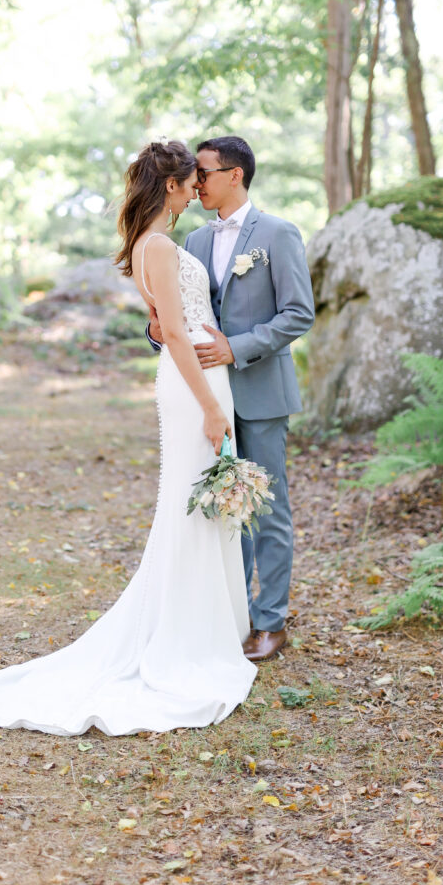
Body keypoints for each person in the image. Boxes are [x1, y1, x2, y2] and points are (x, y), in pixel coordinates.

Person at [0, 141, 256, 735]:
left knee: (193, 501)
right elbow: (172, 330)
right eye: (191, 179)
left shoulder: (147, 246)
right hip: (194, 384)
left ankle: (207, 626)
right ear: (170, 188)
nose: (199, 186)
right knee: (190, 504)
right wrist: (210, 409)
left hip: (199, 375)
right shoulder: (162, 247)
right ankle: (185, 637)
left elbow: (169, 321)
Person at [149, 136, 314, 662]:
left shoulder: (279, 234)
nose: (197, 182)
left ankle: (271, 622)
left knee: (267, 510)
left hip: (261, 393)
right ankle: (232, 616)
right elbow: (181, 315)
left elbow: (298, 313)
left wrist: (235, 348)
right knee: (224, 512)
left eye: (205, 172)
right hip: (208, 400)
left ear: (235, 174)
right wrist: (158, 333)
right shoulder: (193, 241)